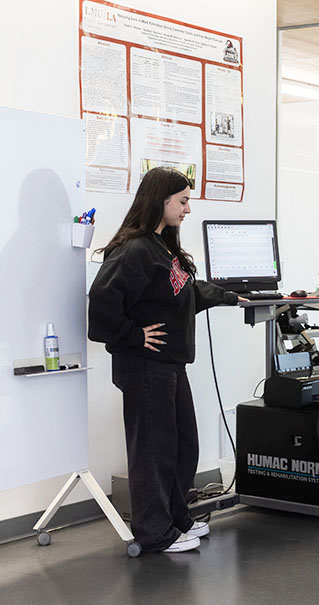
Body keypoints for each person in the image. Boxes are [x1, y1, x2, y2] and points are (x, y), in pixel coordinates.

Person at [88, 167, 242, 554]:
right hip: (143, 366)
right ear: (161, 200)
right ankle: (154, 532)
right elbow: (101, 307)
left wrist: (231, 297)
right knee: (154, 451)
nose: (188, 209)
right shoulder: (136, 249)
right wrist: (133, 335)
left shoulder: (161, 246)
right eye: (183, 201)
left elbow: (186, 292)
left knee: (182, 445)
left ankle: (176, 518)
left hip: (170, 365)